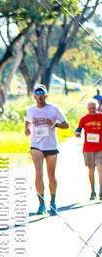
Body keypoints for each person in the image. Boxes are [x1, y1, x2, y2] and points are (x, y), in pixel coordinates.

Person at [24, 83, 69, 215]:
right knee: (38, 173)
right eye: (37, 94)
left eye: (42, 93)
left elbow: (66, 125)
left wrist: (55, 124)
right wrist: (26, 128)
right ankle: (41, 204)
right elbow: (28, 121)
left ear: (46, 95)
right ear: (34, 96)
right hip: (36, 144)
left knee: (51, 175)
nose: (39, 96)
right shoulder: (30, 110)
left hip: (50, 145)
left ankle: (53, 202)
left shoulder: (53, 109)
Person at [75, 100, 102, 200]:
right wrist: (77, 134)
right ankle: (92, 191)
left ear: (97, 107)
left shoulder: (101, 117)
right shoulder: (84, 119)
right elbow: (78, 130)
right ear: (87, 109)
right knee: (91, 169)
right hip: (88, 148)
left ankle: (101, 190)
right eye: (90, 108)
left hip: (100, 148)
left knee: (100, 167)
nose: (92, 110)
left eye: (94, 108)